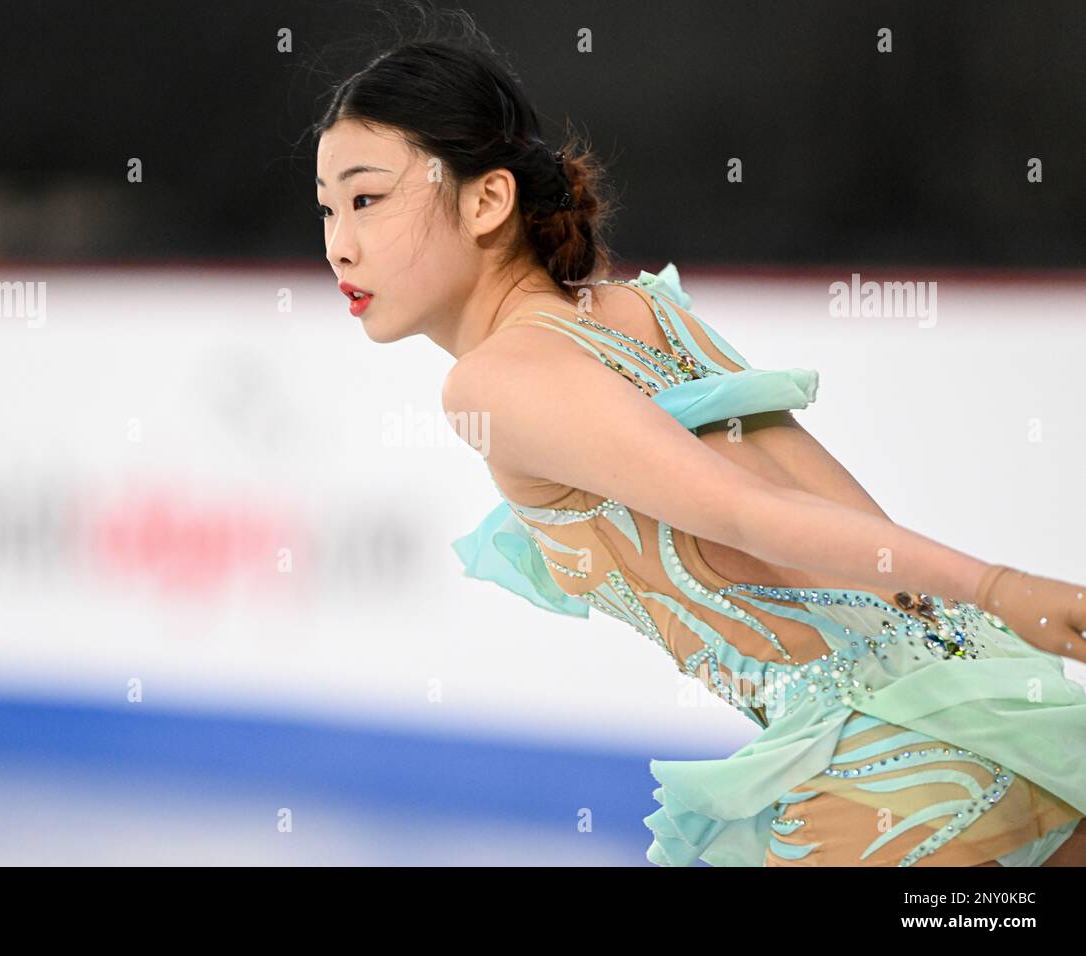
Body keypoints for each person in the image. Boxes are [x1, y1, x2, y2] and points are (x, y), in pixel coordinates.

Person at [309, 7, 1086, 866]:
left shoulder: (493, 381)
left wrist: (1002, 584)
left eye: (368, 199)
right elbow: (829, 510)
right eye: (328, 210)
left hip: (885, 782)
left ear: (489, 197)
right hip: (988, 699)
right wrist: (991, 607)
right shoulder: (644, 307)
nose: (340, 245)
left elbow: (751, 514)